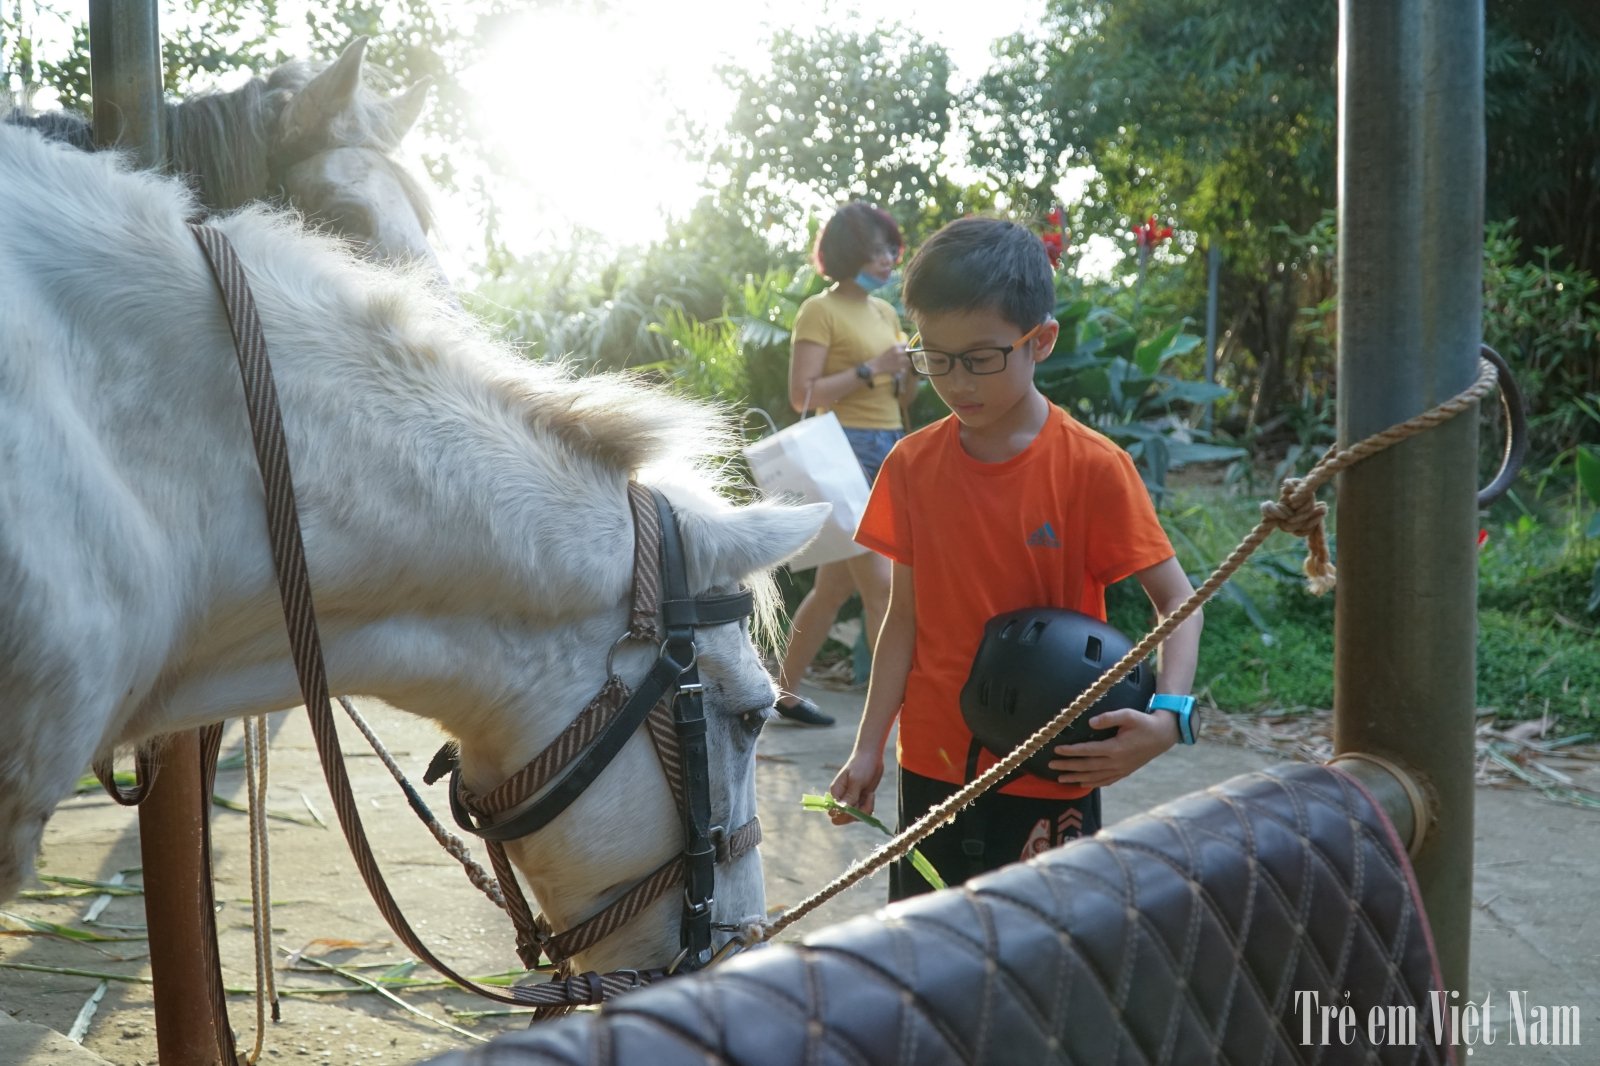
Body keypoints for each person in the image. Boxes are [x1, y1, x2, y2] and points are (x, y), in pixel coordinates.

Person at [827, 216, 1204, 899]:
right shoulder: (911, 467)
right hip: (935, 767)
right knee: (931, 962)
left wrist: (1171, 718)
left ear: (1041, 341)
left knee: (1044, 966)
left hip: (1052, 765)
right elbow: (902, 621)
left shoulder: (1092, 468)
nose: (956, 381)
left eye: (980, 358)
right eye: (935, 358)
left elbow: (1177, 600)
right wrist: (868, 746)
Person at [773, 201, 914, 727]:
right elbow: (801, 394)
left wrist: (906, 373)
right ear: (848, 255)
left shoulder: (886, 313)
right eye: (877, 251)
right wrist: (871, 367)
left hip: (890, 446)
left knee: (833, 589)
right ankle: (901, 712)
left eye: (891, 251)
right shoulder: (819, 309)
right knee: (882, 583)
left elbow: (902, 398)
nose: (888, 261)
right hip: (843, 450)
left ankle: (781, 694)